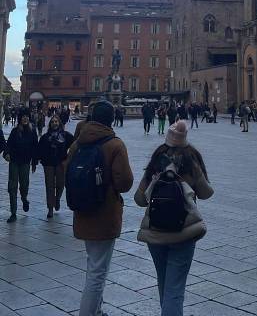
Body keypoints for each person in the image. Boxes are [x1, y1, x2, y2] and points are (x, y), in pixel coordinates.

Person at [134, 120, 213, 316]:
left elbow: (139, 199)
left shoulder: (156, 161)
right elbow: (206, 193)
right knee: (175, 289)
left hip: (155, 234)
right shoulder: (191, 161)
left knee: (165, 283)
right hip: (183, 233)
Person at [67, 99, 133, 316]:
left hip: (82, 211)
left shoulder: (78, 142)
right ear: (112, 119)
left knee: (93, 263)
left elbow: (66, 169)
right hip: (104, 213)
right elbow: (124, 183)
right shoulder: (114, 144)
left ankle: (96, 310)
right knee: (98, 271)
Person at [3, 107, 38, 223]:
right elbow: (8, 145)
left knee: (24, 185)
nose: (25, 118)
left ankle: (24, 199)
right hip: (14, 162)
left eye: (27, 116)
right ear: (20, 118)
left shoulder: (33, 132)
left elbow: (35, 148)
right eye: (23, 116)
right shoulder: (14, 131)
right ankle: (13, 213)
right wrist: (6, 153)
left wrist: (34, 163)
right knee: (12, 187)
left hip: (25, 163)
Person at [38, 114, 74, 218]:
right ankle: (50, 208)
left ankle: (57, 198)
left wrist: (68, 159)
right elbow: (39, 149)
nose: (54, 123)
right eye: (53, 122)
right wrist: (38, 160)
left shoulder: (66, 135)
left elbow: (75, 144)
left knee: (60, 184)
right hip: (48, 164)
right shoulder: (45, 137)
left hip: (60, 163)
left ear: (59, 123)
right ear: (50, 124)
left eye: (56, 121)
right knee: (49, 186)